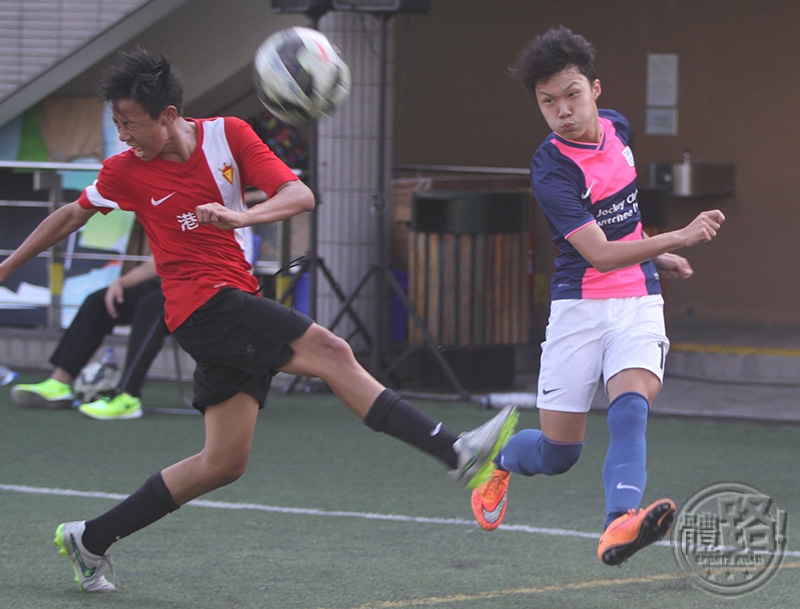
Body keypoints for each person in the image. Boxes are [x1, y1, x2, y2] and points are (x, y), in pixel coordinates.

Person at [0, 48, 518, 592]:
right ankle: (456, 452)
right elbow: (70, 215)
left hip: (229, 300)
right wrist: (8, 265)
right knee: (333, 353)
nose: (123, 133)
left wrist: (242, 215)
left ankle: (91, 538)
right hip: (203, 309)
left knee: (222, 463)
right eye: (116, 123)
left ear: (169, 115)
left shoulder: (230, 135)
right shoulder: (125, 171)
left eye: (130, 122)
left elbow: (300, 194)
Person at [469, 26, 725, 566]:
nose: (562, 109)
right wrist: (677, 236)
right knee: (559, 453)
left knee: (630, 409)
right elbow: (601, 254)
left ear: (596, 89)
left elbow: (624, 224)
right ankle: (502, 459)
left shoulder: (618, 130)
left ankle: (619, 525)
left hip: (638, 299)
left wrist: (655, 256)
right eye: (548, 102)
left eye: (572, 94)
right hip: (578, 307)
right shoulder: (552, 168)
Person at [11, 257, 166, 420]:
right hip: (169, 284)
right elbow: (154, 264)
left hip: (192, 292)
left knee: (150, 308)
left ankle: (128, 396)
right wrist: (120, 283)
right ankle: (59, 384)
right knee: (98, 302)